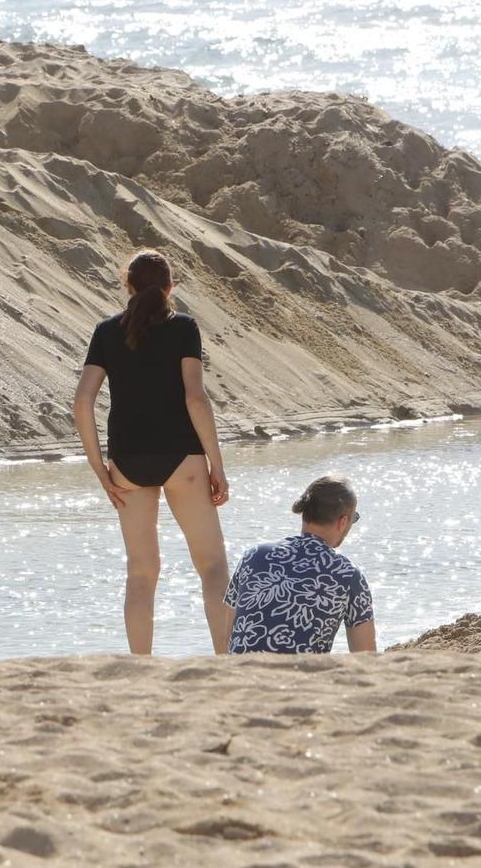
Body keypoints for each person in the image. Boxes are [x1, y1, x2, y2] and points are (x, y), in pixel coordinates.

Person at [73, 250, 234, 655]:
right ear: (170, 286)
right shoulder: (183, 327)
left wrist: (98, 467)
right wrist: (217, 464)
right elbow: (196, 399)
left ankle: (140, 667)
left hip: (127, 459)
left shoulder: (106, 331)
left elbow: (82, 401)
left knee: (141, 573)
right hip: (183, 456)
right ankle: (227, 661)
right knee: (213, 567)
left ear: (127, 284)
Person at [228, 475, 377, 655]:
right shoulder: (348, 574)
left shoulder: (252, 555)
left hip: (239, 675)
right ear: (343, 521)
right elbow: (365, 656)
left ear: (305, 513)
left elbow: (227, 634)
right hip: (300, 678)